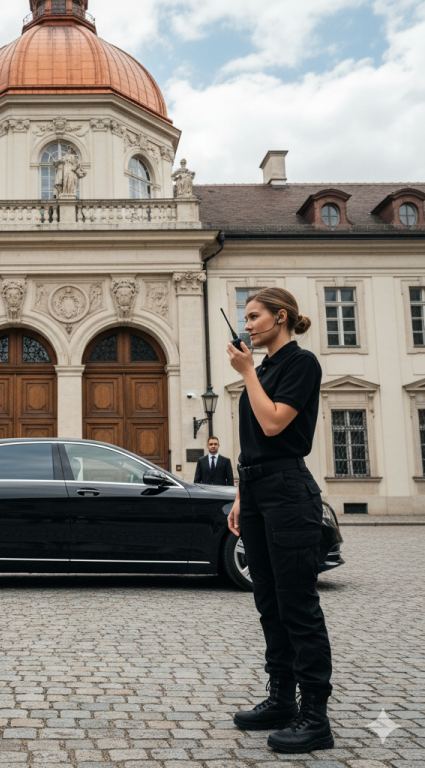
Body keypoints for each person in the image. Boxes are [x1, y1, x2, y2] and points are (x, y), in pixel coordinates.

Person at [226, 287, 334, 754]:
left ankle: (315, 716)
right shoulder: (265, 367)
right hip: (255, 490)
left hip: (289, 491)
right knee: (268, 602)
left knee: (297, 606)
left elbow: (274, 425)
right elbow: (253, 440)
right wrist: (238, 495)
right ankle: (281, 700)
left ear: (280, 316)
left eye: (253, 316)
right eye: (245, 318)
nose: (246, 324)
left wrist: (247, 372)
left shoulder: (299, 364)